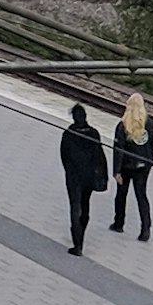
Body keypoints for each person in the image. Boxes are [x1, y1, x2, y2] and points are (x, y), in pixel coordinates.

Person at [59, 100, 108, 254]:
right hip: (89, 176)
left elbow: (64, 157)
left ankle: (77, 243)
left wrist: (70, 171)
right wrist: (103, 175)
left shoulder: (69, 133)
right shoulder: (94, 133)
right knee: (85, 205)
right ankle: (82, 234)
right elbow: (100, 156)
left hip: (74, 177)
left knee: (75, 207)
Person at [108, 92, 153, 241]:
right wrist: (150, 163)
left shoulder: (123, 125)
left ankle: (119, 223)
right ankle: (145, 229)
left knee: (121, 195)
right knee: (141, 196)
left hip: (126, 167)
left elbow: (118, 150)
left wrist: (116, 171)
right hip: (142, 167)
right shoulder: (150, 124)